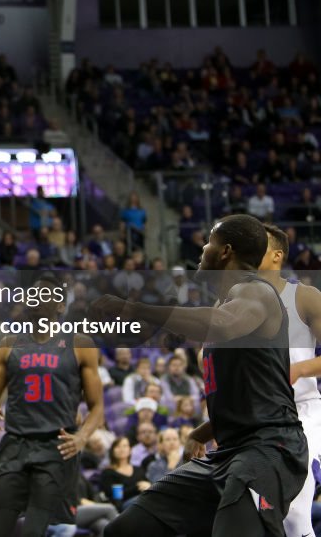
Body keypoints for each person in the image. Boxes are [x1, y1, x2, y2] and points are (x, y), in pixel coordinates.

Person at [93, 214, 308, 537]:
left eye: (209, 241)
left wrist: (134, 308)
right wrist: (203, 432)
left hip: (269, 450)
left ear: (225, 252)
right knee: (125, 529)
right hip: (227, 453)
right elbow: (256, 391)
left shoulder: (256, 293)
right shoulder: (227, 302)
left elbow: (223, 323)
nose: (202, 249)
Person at [0, 274, 105, 537]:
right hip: (14, 444)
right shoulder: (9, 344)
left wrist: (82, 437)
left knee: (33, 532)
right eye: (33, 293)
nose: (36, 298)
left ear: (60, 306)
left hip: (55, 447)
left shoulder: (80, 344)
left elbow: (97, 407)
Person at [258, 223, 321, 537]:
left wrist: (296, 370)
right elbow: (208, 357)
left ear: (276, 255)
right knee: (263, 517)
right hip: (257, 416)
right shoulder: (232, 301)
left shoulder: (305, 296)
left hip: (302, 411)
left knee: (295, 514)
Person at [98, 438, 150, 510]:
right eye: (118, 446)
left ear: (130, 450)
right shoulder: (108, 473)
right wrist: (137, 487)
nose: (121, 449)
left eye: (125, 446)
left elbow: (147, 484)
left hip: (143, 501)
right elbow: (116, 496)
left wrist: (149, 486)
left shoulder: (138, 469)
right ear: (112, 451)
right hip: (123, 505)